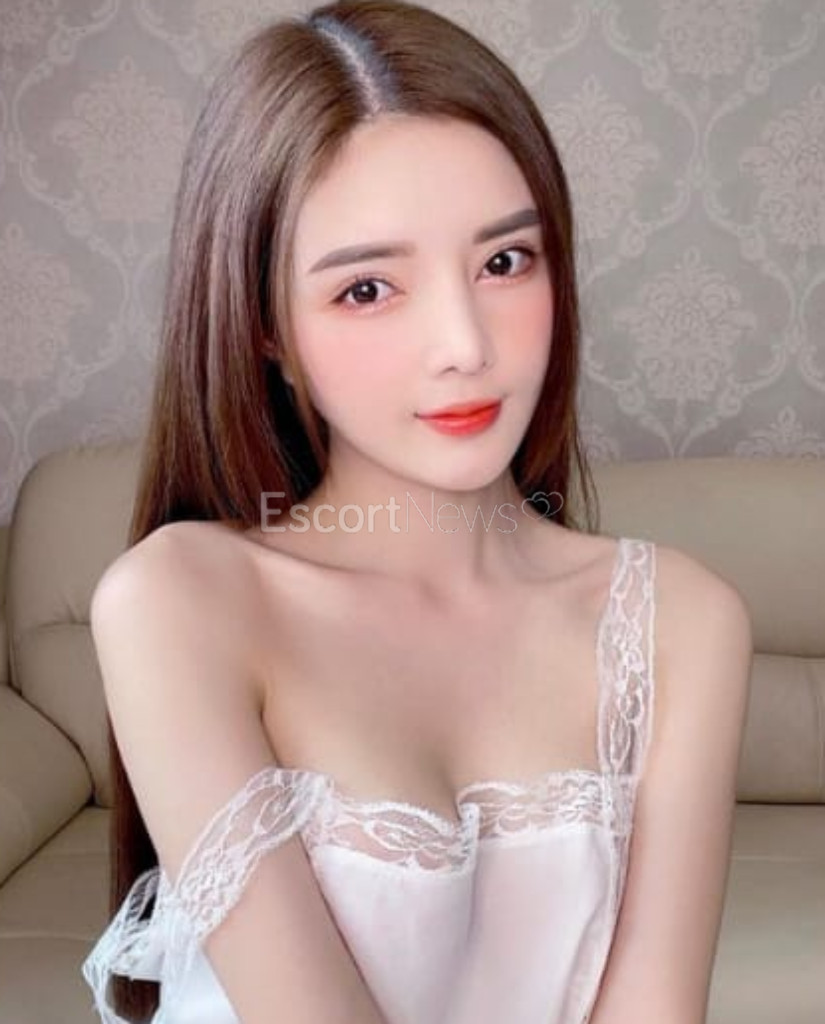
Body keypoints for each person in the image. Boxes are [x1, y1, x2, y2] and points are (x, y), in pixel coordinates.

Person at [80, 2, 753, 1022]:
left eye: (503, 262)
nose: (465, 345)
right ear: (265, 325)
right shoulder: (182, 601)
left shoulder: (681, 622)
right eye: (367, 289)